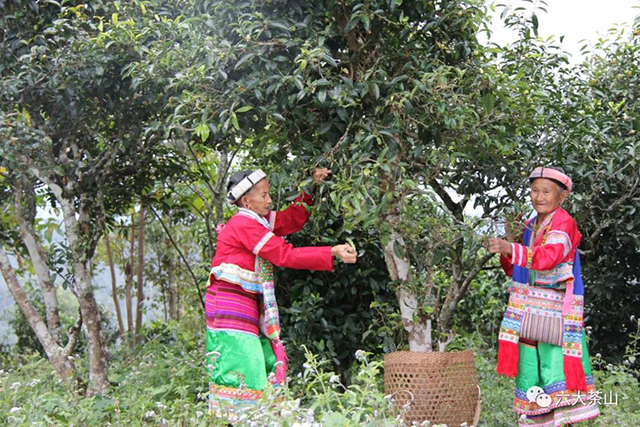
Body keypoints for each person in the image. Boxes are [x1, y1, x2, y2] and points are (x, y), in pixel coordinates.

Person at [206, 167, 356, 417]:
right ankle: (241, 417)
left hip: (244, 300)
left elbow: (291, 220)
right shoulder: (244, 223)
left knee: (261, 359)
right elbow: (284, 255)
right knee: (245, 361)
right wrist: (331, 252)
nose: (269, 200)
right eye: (264, 195)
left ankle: (254, 416)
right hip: (230, 302)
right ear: (246, 201)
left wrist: (311, 188)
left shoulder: (256, 220)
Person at [488, 167, 600, 426]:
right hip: (529, 311)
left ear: (561, 197)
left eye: (546, 191)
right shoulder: (530, 225)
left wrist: (512, 248)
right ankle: (536, 419)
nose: (538, 197)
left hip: (556, 312)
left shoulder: (563, 223)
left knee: (554, 367)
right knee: (532, 369)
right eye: (534, 190)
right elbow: (515, 268)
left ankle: (563, 419)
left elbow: (550, 257)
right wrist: (509, 244)